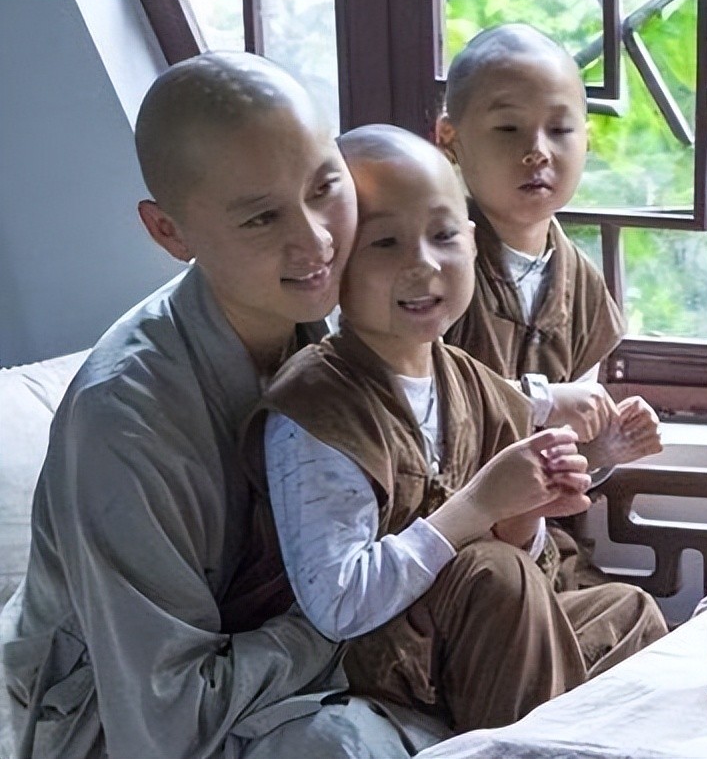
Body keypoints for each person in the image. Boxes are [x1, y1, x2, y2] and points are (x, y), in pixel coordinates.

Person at [0, 52, 420, 759]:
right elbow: (166, 719)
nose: (316, 239)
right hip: (112, 715)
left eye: (326, 187)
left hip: (298, 656)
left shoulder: (356, 313)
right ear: (170, 233)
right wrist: (356, 612)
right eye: (262, 218)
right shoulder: (125, 423)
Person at [220, 125, 668, 732]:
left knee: (629, 613)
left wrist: (525, 515)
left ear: (474, 245)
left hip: (478, 639)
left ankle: (547, 733)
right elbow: (338, 605)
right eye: (384, 244)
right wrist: (481, 503)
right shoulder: (317, 406)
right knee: (498, 577)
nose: (422, 264)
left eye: (443, 235)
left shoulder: (466, 380)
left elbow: (519, 553)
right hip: (381, 653)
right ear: (333, 265)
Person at [436, 23, 645, 589]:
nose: (537, 152)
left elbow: (571, 449)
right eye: (508, 128)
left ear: (587, 138)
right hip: (446, 542)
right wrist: (542, 401)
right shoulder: (428, 260)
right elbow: (407, 404)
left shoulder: (581, 283)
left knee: (633, 618)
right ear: (449, 138)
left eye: (560, 129)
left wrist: (602, 449)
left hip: (545, 548)